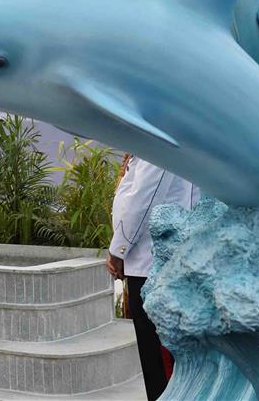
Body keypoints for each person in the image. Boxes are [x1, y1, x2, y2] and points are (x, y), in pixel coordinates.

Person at [107, 155, 199, 401]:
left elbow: (145, 198)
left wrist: (119, 250)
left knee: (160, 366)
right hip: (153, 262)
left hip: (153, 265)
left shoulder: (160, 131)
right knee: (157, 363)